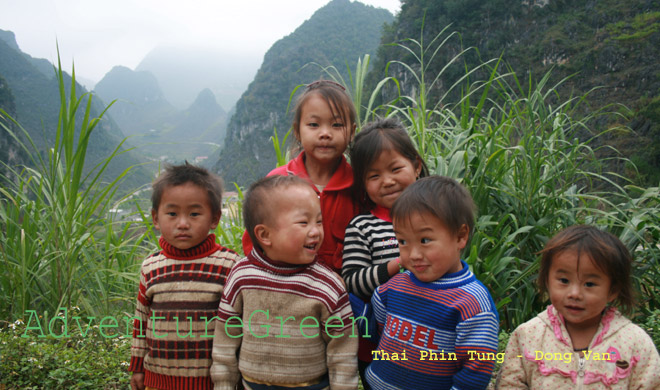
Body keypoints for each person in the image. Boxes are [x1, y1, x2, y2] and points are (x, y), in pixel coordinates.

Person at [211, 175, 358, 390]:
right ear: (265, 234)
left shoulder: (327, 285)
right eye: (303, 222)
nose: (316, 231)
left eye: (319, 221)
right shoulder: (242, 276)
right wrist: (223, 384)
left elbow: (343, 349)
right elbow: (226, 336)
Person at [352, 175, 499, 390]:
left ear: (460, 236)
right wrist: (347, 301)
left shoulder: (472, 303)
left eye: (425, 240)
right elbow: (377, 332)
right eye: (402, 241)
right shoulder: (394, 287)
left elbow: (475, 369)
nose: (413, 254)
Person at [495, 225, 660, 389]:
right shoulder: (528, 336)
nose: (574, 293)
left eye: (589, 284)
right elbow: (509, 384)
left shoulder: (635, 343)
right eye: (564, 280)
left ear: (613, 290)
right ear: (547, 280)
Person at [129, 163, 241, 390]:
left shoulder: (229, 265)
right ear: (156, 218)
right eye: (172, 213)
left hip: (212, 382)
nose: (182, 224)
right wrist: (137, 367)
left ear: (214, 219)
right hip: (159, 380)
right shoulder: (151, 266)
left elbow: (239, 325)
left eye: (194, 214)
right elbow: (141, 320)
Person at [341, 117, 428, 387]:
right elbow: (352, 281)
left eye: (395, 169)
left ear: (416, 166)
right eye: (374, 175)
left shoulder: (434, 218)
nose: (387, 181)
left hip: (431, 338)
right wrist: (397, 265)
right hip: (377, 344)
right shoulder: (363, 226)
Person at [241, 79, 359, 274]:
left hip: (341, 297)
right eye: (313, 124)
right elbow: (253, 244)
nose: (325, 133)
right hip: (284, 290)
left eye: (336, 125)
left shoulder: (358, 187)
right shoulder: (277, 184)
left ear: (352, 132)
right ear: (297, 130)